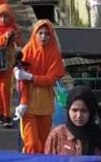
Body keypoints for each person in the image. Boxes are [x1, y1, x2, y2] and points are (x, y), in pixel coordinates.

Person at [14, 19, 66, 153]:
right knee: (31, 143)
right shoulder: (27, 51)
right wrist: (23, 102)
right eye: (40, 33)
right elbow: (22, 82)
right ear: (34, 34)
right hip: (29, 105)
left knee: (45, 144)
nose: (43, 36)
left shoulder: (54, 54)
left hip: (45, 105)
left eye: (47, 34)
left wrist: (31, 77)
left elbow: (51, 79)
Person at [44, 85, 101, 155]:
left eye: (84, 111)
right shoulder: (57, 136)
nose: (79, 116)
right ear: (68, 110)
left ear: (91, 112)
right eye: (74, 110)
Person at [0, 4, 23, 128]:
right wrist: (4, 37)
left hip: (8, 61)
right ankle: (0, 113)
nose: (3, 19)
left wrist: (15, 37)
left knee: (5, 87)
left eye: (6, 17)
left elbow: (20, 44)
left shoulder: (14, 27)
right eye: (1, 16)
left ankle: (7, 114)